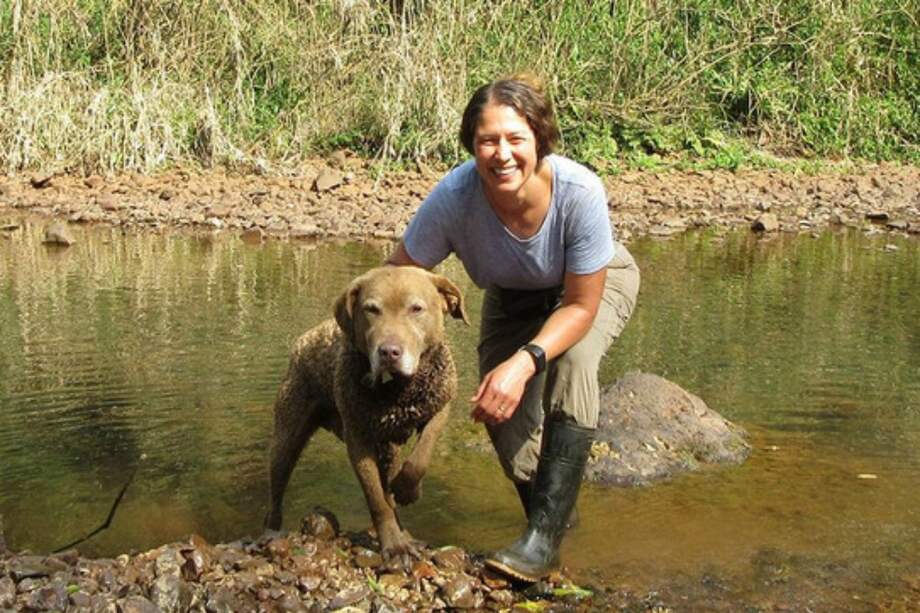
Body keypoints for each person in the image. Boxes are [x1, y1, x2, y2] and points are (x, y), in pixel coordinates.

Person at [387, 75, 640, 581]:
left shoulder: (579, 191)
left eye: (515, 139)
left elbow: (580, 307)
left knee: (572, 360)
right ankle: (551, 521)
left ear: (539, 141)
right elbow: (396, 278)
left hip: (591, 287)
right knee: (499, 412)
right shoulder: (454, 199)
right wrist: (384, 344)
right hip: (512, 297)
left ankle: (542, 543)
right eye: (487, 141)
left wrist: (523, 363)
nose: (502, 154)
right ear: (471, 146)